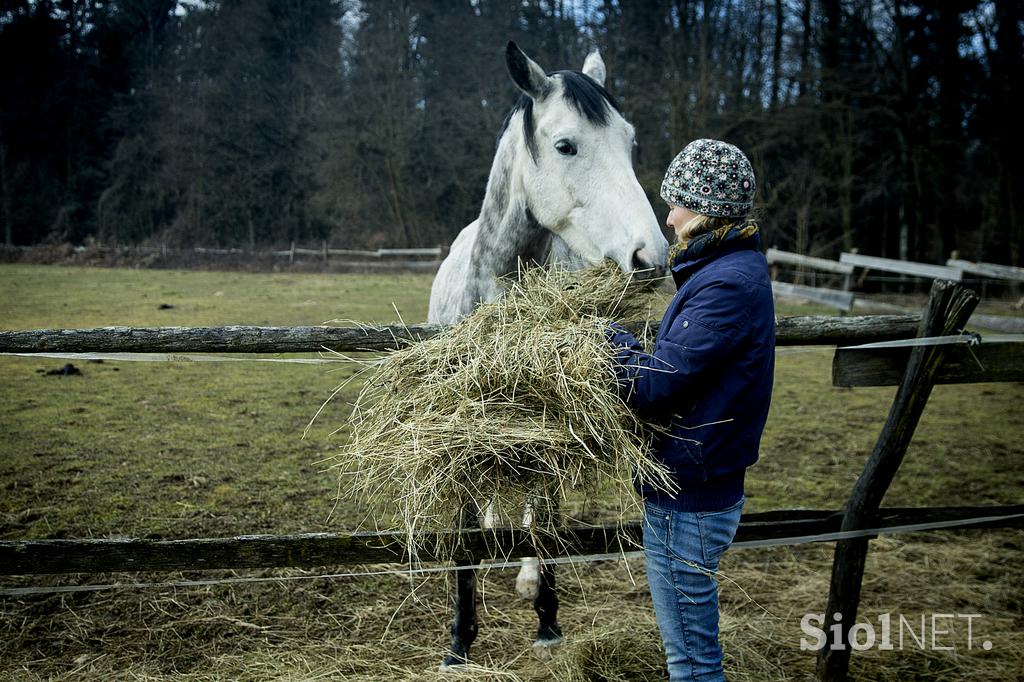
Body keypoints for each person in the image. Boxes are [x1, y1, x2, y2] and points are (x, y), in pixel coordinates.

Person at [605, 138, 775, 681]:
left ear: (705, 210)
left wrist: (609, 343)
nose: (669, 216)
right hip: (689, 484)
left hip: (691, 497)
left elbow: (657, 385)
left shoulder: (726, 284)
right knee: (690, 651)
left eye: (677, 202)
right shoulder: (724, 272)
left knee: (693, 662)